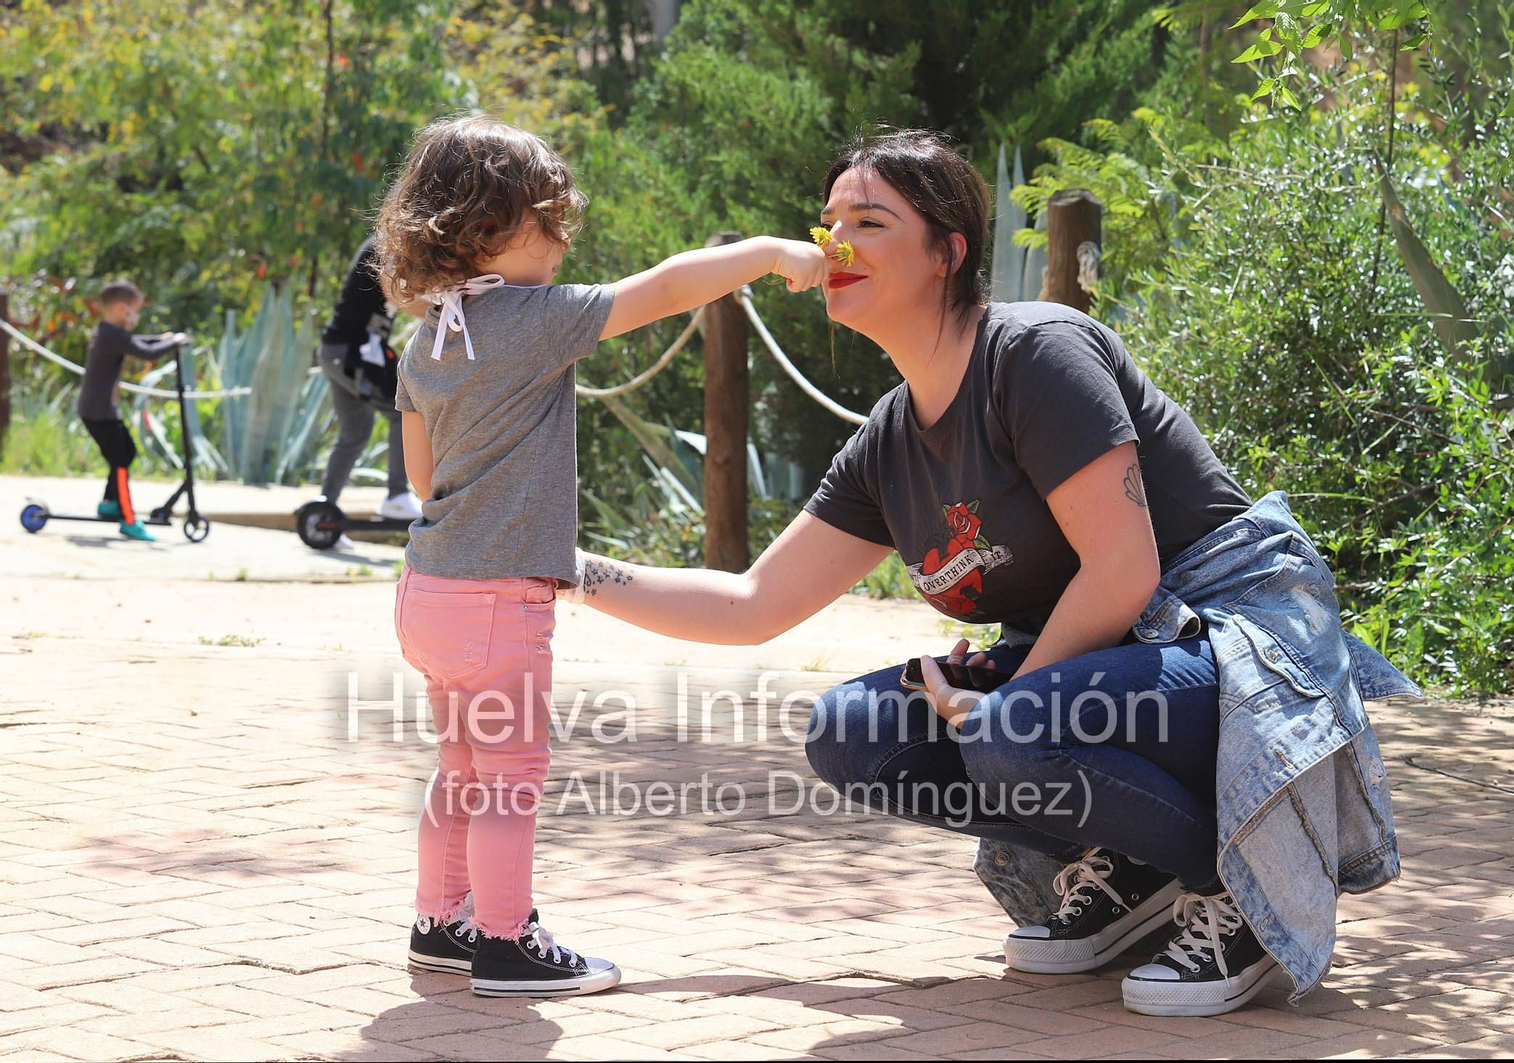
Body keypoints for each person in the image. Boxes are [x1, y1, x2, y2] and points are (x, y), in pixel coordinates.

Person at [556, 129, 1422, 1017]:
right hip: (1106, 666)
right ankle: (1129, 874)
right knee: (853, 728)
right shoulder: (887, 443)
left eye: (869, 221)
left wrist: (1003, 701)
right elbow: (751, 605)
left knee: (1008, 730)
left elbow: (1124, 573)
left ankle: (1237, 887)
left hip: (1233, 645)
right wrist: (562, 566)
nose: (832, 246)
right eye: (825, 224)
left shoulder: (1036, 354)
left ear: (947, 250)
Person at [377, 114, 828, 998]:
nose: (564, 241)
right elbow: (663, 288)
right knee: (511, 778)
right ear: (493, 227)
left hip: (424, 595)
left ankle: (441, 921)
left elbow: (424, 480)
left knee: (461, 766)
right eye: (553, 222)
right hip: (500, 603)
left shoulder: (427, 339)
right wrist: (770, 251)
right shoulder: (537, 317)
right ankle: (505, 943)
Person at [314, 235, 422, 551]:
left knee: (354, 433)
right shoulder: (386, 245)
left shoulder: (391, 245)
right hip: (352, 353)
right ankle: (397, 495)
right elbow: (396, 292)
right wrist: (443, 307)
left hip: (340, 351)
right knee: (404, 410)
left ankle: (323, 512)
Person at [76, 279, 190, 542]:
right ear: (120, 309)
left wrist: (163, 339)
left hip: (99, 410)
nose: (136, 316)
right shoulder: (112, 335)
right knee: (120, 464)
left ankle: (109, 503)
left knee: (126, 453)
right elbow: (147, 353)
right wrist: (176, 342)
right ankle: (128, 519)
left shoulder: (108, 332)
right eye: (134, 310)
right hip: (99, 412)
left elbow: (136, 342)